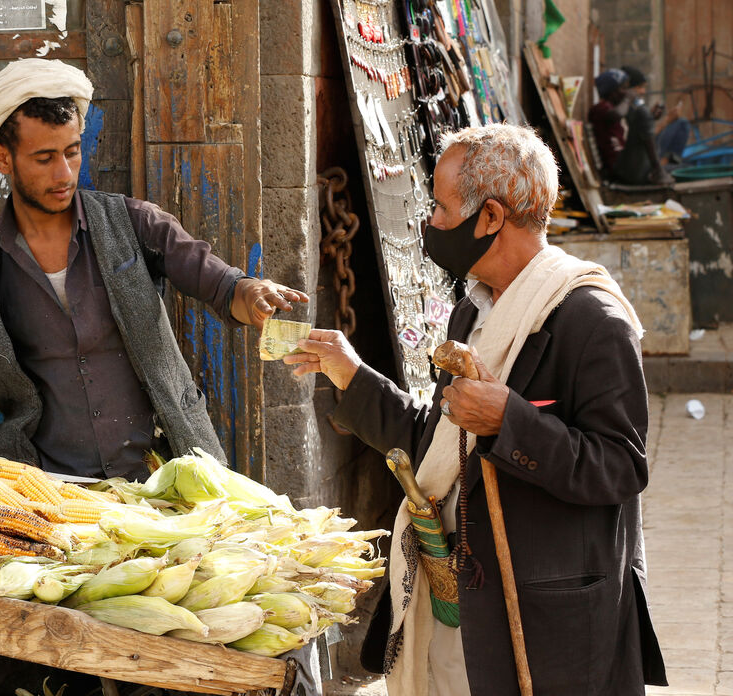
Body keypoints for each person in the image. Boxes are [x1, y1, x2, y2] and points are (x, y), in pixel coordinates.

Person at [285, 124, 666, 695]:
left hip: (545, 624)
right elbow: (440, 444)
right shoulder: (473, 315)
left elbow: (620, 468)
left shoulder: (592, 323)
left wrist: (509, 421)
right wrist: (350, 373)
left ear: (490, 218)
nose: (430, 223)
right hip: (463, 608)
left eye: (439, 207)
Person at [0, 57, 307, 480]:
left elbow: (222, 286)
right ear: (2, 158)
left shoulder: (133, 224)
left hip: (166, 476)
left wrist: (253, 292)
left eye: (72, 152)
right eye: (45, 158)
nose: (64, 173)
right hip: (50, 495)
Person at [612, 65, 687, 186]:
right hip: (639, 167)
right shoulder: (623, 110)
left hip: (642, 160)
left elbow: (640, 133)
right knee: (682, 126)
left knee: (681, 123)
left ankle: (668, 160)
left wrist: (651, 118)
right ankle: (665, 162)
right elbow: (640, 140)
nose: (643, 91)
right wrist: (666, 121)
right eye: (639, 87)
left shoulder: (631, 108)